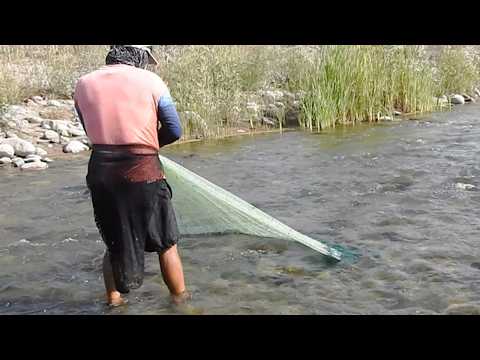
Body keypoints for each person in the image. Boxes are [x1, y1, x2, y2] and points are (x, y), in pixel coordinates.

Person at [74, 45, 189, 307]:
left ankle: (114, 301)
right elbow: (174, 128)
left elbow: (89, 129)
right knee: (166, 240)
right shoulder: (151, 81)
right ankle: (180, 301)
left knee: (114, 238)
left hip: (101, 171)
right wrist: (150, 145)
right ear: (138, 55)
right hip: (143, 171)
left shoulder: (83, 84)